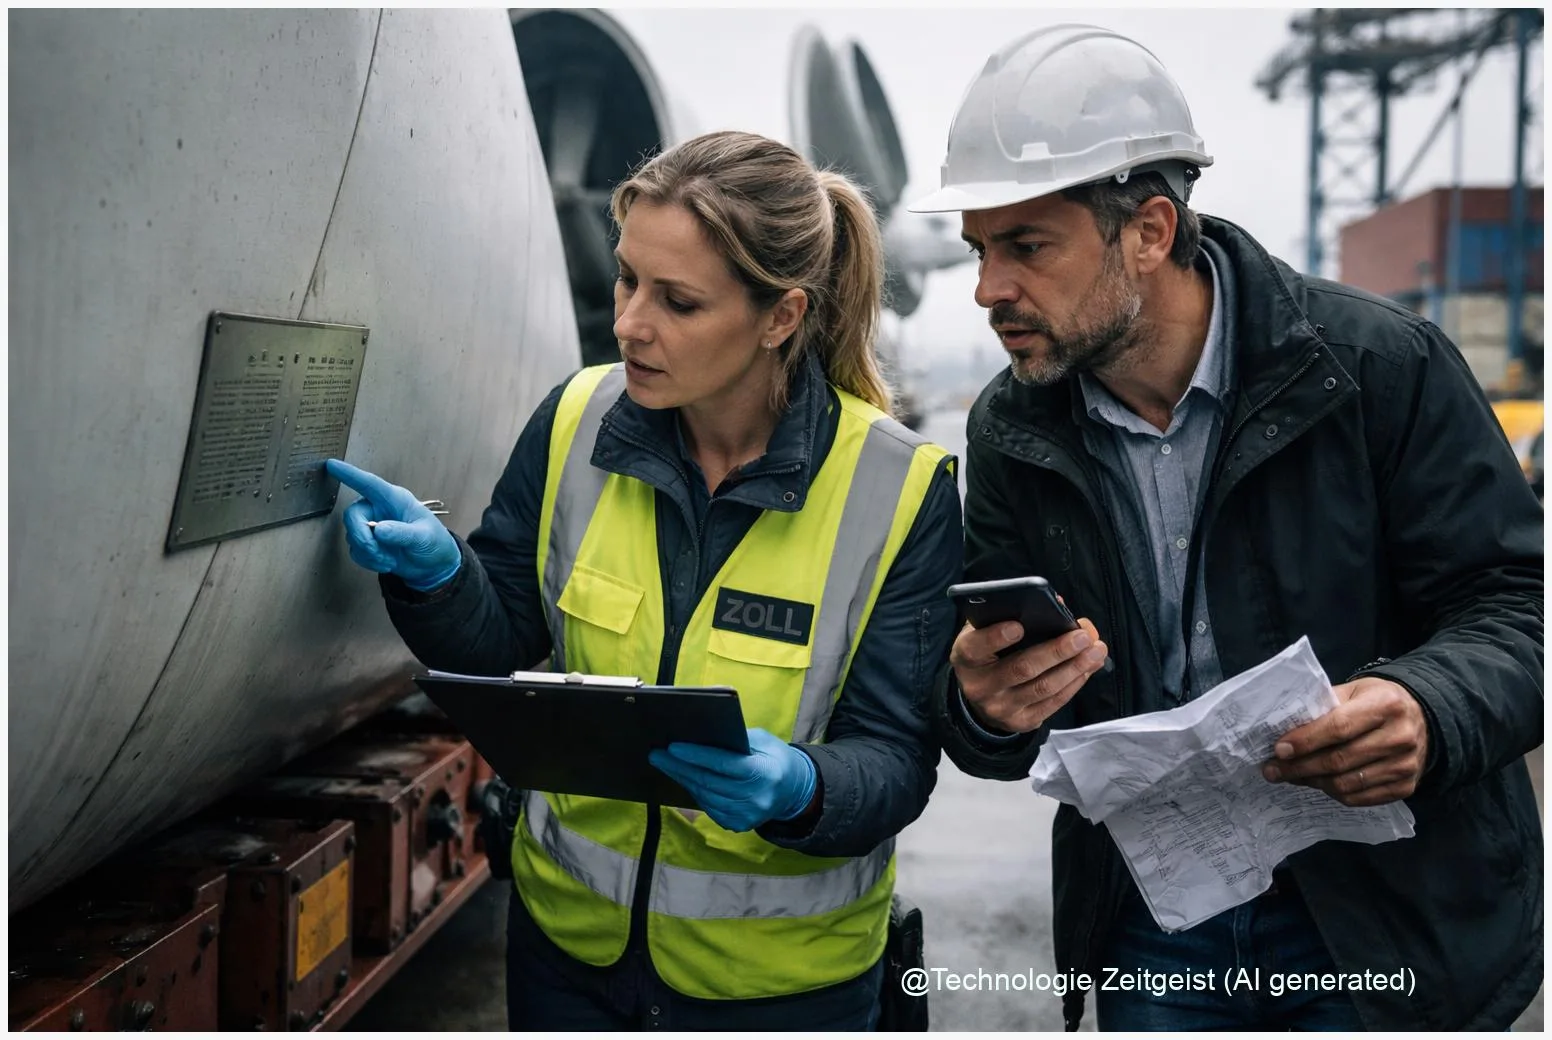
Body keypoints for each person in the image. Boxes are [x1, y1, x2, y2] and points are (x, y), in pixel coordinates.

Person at [908, 24, 1543, 1032]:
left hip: (1381, 914)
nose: (988, 289)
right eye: (979, 249)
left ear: (1150, 230)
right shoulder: (1012, 424)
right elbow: (986, 716)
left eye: (1026, 246)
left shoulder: (1379, 369)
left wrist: (1423, 705)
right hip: (1154, 927)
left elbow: (1519, 604)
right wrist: (985, 706)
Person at [327, 129, 962, 1030]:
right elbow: (506, 636)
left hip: (778, 993)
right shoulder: (576, 420)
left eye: (679, 301)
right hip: (567, 961)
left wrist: (803, 788)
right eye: (628, 279)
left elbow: (896, 759)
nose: (629, 321)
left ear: (781, 316)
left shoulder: (899, 489)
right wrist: (439, 577)